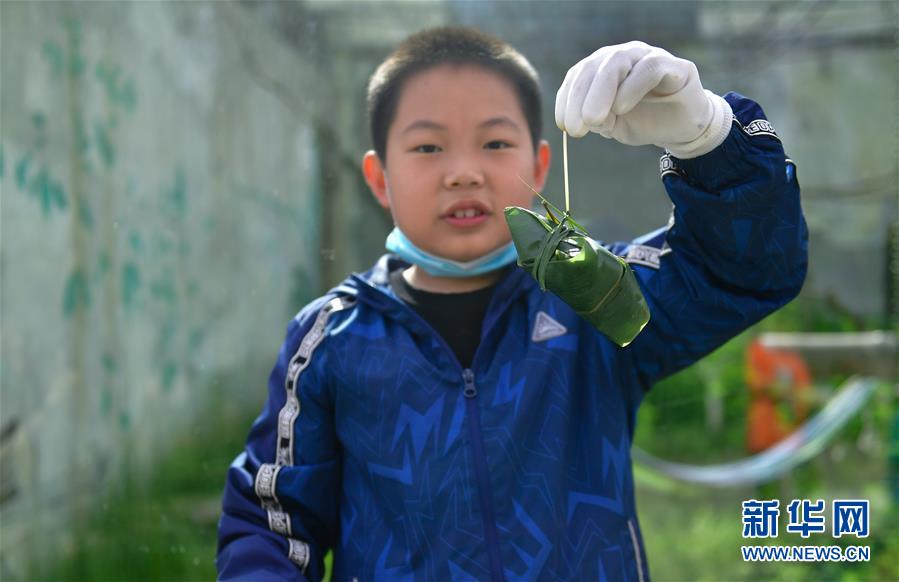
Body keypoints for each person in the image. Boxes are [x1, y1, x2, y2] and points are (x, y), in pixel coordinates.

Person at [217, 26, 808, 581]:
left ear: (540, 165)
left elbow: (748, 273)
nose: (465, 173)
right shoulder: (330, 338)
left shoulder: (588, 295)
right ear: (379, 178)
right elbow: (270, 521)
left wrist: (708, 138)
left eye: (495, 142)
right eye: (427, 147)